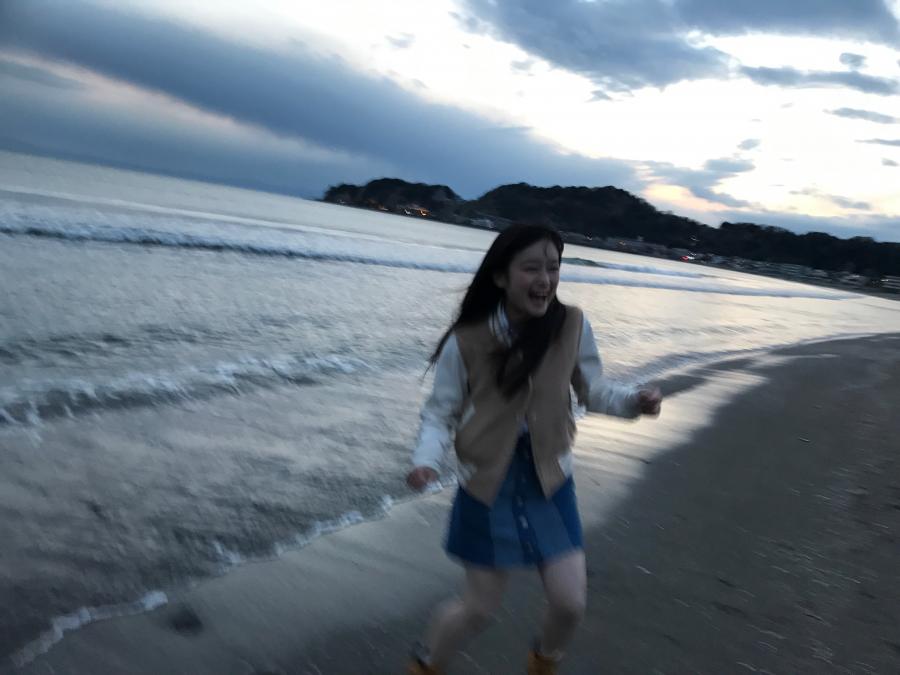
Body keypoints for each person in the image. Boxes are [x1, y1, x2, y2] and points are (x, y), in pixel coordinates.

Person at [405, 224, 662, 675]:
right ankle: (426, 667)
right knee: (478, 609)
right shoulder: (468, 338)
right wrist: (426, 461)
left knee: (570, 604)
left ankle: (540, 665)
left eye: (553, 267)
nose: (545, 279)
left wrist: (634, 402)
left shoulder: (571, 324)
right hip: (487, 485)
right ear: (500, 276)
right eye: (531, 268)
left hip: (551, 479)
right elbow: (440, 413)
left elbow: (593, 389)